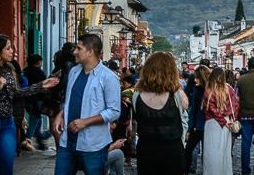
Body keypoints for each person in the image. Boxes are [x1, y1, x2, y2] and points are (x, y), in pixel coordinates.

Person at [0, 35, 59, 175]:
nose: (12, 51)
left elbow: (15, 93)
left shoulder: (9, 68)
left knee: (6, 168)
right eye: (8, 48)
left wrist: (41, 86)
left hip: (6, 123)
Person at [53, 34, 122, 175]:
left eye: (79, 48)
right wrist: (61, 114)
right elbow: (71, 99)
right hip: (68, 142)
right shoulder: (74, 72)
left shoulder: (109, 78)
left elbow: (114, 111)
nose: (75, 52)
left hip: (93, 145)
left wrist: (85, 122)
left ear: (90, 52)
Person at [131, 51, 188, 175]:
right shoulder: (176, 95)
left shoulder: (137, 95)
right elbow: (185, 106)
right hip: (172, 148)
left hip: (146, 148)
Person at [202, 63, 239, 175]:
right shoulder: (229, 88)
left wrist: (222, 121)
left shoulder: (209, 90)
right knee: (224, 150)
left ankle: (211, 172)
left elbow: (211, 108)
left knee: (211, 149)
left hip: (212, 122)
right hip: (227, 120)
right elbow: (235, 105)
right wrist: (231, 120)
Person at [184, 65, 210, 175]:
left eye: (197, 78)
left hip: (206, 125)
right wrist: (190, 128)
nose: (194, 80)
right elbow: (194, 108)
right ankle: (185, 171)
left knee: (207, 153)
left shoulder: (210, 90)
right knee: (188, 149)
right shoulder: (196, 88)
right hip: (195, 125)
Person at [24, 54, 50, 149]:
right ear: (38, 62)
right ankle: (26, 141)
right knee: (34, 120)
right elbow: (44, 86)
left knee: (38, 120)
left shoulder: (25, 71)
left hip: (27, 100)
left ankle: (39, 141)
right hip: (37, 100)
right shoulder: (40, 72)